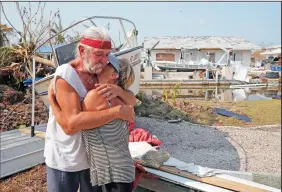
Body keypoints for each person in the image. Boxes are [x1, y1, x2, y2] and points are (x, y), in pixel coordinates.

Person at [45, 26, 136, 192]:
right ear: (82, 50)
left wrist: (120, 92)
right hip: (66, 159)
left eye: (107, 55)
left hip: (93, 162)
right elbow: (71, 125)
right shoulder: (66, 75)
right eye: (98, 54)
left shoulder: (100, 71)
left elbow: (131, 99)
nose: (104, 60)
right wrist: (117, 112)